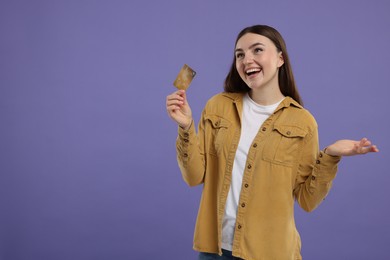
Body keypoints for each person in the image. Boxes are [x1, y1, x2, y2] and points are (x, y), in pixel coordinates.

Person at [166, 25, 379, 260]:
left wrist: (330, 155)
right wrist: (185, 127)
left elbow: (308, 200)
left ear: (280, 59)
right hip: (214, 250)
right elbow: (194, 176)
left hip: (271, 253)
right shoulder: (218, 107)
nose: (247, 59)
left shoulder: (303, 122)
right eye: (240, 54)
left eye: (257, 50)